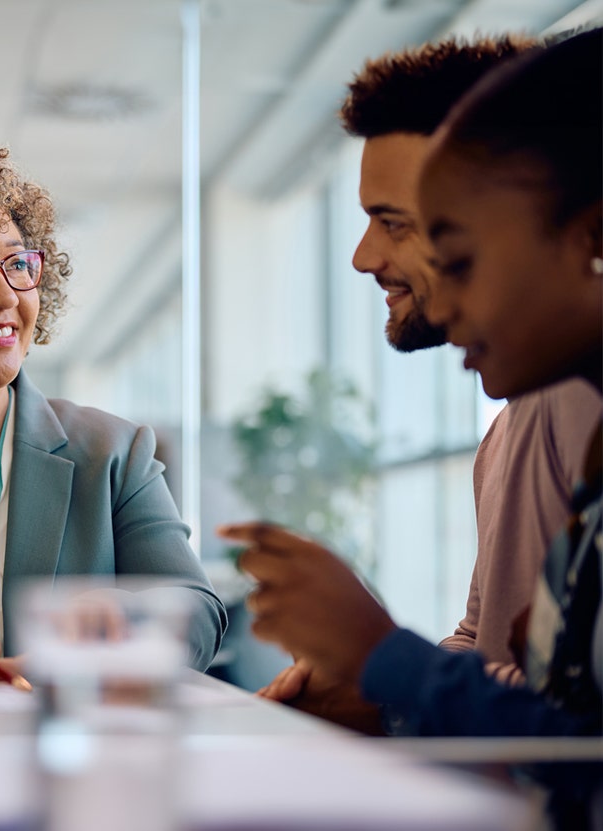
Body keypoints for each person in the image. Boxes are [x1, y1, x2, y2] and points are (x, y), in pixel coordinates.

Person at [218, 25, 602, 735]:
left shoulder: (574, 398)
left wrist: (389, 662)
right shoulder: (508, 427)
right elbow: (489, 644)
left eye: (402, 223)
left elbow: (575, 721)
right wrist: (379, 687)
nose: (364, 256)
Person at [0, 124, 227, 685]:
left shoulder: (113, 454)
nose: (5, 296)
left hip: (55, 755)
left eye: (18, 263)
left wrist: (127, 628)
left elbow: (197, 608)